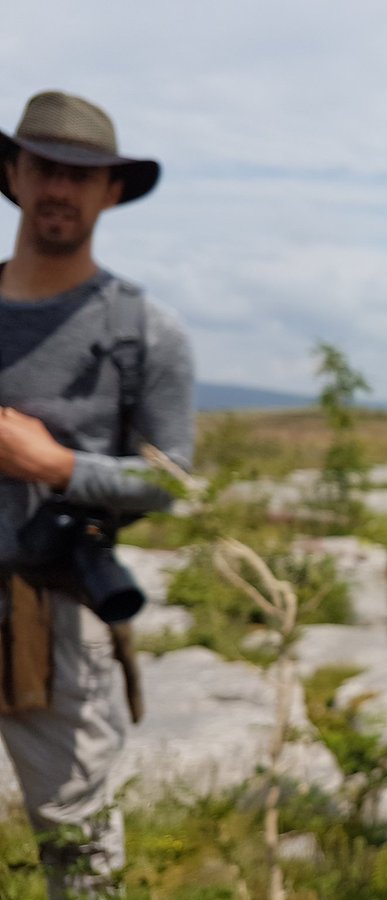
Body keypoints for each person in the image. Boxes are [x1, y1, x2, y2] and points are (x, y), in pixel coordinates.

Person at [0, 91, 194, 897]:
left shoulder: (146, 332)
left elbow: (171, 484)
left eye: (82, 175)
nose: (60, 189)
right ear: (12, 173)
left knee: (78, 848)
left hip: (55, 612)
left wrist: (55, 466)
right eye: (46, 167)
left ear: (111, 191)